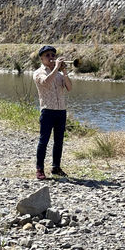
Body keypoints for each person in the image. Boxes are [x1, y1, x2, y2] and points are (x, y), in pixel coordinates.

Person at [33, 44, 72, 180]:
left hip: (61, 111)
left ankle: (56, 167)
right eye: (48, 55)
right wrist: (56, 68)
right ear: (42, 59)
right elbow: (46, 82)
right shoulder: (39, 73)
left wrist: (65, 72)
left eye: (53, 55)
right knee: (43, 141)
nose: (51, 57)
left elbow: (69, 87)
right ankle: (39, 169)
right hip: (47, 111)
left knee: (59, 141)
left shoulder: (60, 74)